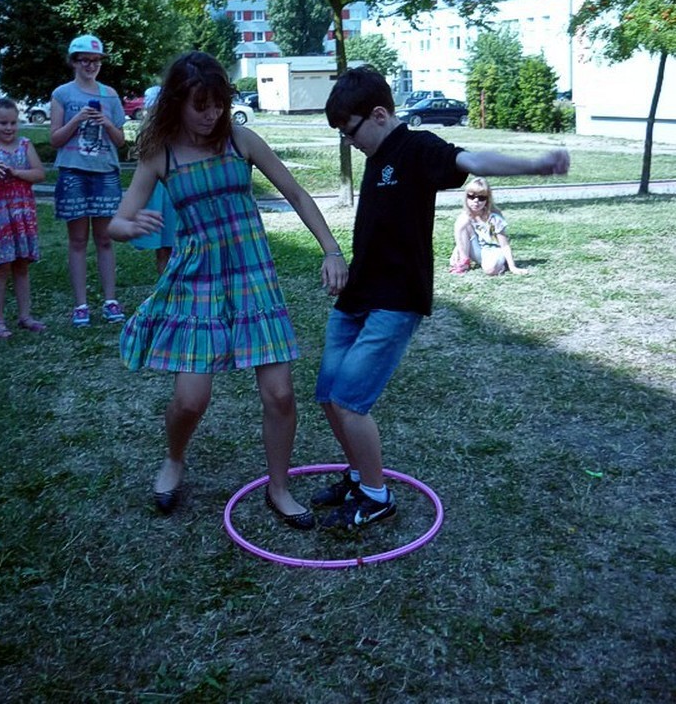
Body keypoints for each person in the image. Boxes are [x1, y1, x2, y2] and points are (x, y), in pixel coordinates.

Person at [312, 66, 570, 531]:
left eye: (350, 131)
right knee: (329, 394)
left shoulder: (418, 148)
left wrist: (537, 164)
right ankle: (357, 476)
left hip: (396, 299)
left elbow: (473, 160)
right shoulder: (374, 151)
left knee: (349, 400)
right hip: (357, 294)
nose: (348, 142)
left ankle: (376, 497)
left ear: (378, 115)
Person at [108, 51, 348, 527]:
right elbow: (117, 221)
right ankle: (174, 458)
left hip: (253, 276)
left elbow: (297, 193)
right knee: (191, 399)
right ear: (177, 103)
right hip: (196, 282)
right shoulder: (161, 154)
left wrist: (332, 250)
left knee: (280, 394)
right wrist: (128, 227)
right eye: (200, 105)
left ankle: (278, 488)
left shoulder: (241, 140)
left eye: (218, 104)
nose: (212, 114)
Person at [50, 34, 127, 327]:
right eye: (85, 60)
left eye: (96, 61)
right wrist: (77, 119)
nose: (91, 66)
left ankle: (110, 300)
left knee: (105, 239)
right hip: (73, 172)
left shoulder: (110, 95)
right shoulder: (62, 94)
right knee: (78, 240)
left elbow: (120, 141)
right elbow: (55, 139)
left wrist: (106, 122)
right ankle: (81, 304)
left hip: (105, 172)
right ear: (74, 62)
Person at [0, 97, 46, 338]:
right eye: (3, 123)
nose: (9, 128)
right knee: (1, 267)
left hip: (23, 212)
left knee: (22, 265)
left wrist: (15, 172)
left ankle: (25, 316)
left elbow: (39, 174)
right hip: (0, 215)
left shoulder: (25, 145)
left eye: (13, 122)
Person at [130, 85, 175, 276]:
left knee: (177, 245)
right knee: (164, 247)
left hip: (174, 191)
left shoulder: (182, 129)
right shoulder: (149, 134)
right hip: (158, 193)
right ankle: (166, 287)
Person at [449, 177, 528, 276]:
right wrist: (458, 249)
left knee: (490, 270)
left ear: (487, 200)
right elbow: (462, 234)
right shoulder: (466, 216)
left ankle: (502, 265)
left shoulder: (494, 218)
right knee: (462, 220)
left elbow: (504, 245)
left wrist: (513, 267)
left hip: (494, 251)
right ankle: (464, 263)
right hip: (479, 250)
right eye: (471, 196)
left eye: (481, 198)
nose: (476, 201)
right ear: (466, 198)